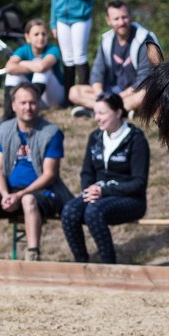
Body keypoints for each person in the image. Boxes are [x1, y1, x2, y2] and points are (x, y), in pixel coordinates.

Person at [0, 84, 74, 260]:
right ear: (13, 105)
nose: (28, 107)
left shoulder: (51, 133)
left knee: (28, 201)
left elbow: (49, 175)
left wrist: (20, 195)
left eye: (32, 103)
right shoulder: (3, 130)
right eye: (23, 103)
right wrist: (6, 194)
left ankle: (32, 254)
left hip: (43, 192)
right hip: (11, 190)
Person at [60, 91, 150, 263]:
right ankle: (82, 264)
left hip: (131, 199)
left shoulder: (136, 139)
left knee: (93, 212)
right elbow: (87, 172)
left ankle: (109, 264)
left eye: (102, 113)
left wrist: (104, 190)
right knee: (69, 211)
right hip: (98, 195)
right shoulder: (95, 137)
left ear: (117, 112)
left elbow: (139, 183)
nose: (97, 118)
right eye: (95, 113)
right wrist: (89, 190)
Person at [67, 0, 160, 117]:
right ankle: (119, 110)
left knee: (145, 94)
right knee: (74, 92)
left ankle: (99, 109)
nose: (121, 22)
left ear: (130, 16)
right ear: (108, 20)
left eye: (124, 17)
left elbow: (144, 79)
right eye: (116, 19)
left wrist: (117, 98)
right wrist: (100, 94)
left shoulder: (144, 39)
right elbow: (97, 74)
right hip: (111, 91)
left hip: (134, 91)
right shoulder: (106, 40)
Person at [2, 18, 65, 118]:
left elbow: (41, 67)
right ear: (27, 37)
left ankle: (32, 106)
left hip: (53, 97)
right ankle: (8, 115)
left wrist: (22, 63)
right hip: (33, 101)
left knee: (44, 71)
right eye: (36, 34)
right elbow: (9, 68)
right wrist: (32, 66)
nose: (41, 37)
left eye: (43, 34)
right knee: (12, 75)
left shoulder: (53, 49)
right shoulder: (23, 50)